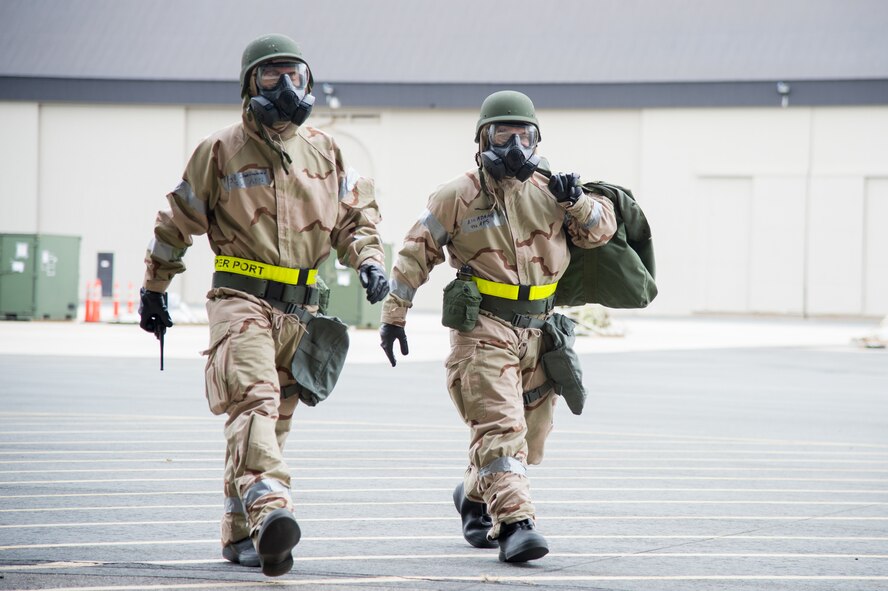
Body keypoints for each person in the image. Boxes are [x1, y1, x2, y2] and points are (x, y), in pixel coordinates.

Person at [138, 33, 389, 577]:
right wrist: (154, 288)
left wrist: (368, 260)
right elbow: (176, 222)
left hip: (300, 314)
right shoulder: (219, 150)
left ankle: (240, 532)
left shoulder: (326, 151)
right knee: (253, 404)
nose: (286, 86)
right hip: (240, 301)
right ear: (249, 83)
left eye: (295, 74)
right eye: (271, 75)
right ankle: (273, 513)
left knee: (271, 425)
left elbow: (354, 221)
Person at [378, 90, 616, 563]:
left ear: (537, 140)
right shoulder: (456, 196)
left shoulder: (555, 189)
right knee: (500, 427)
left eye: (524, 134)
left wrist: (578, 203)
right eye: (502, 134)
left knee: (530, 436)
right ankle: (515, 524)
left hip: (539, 330)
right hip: (483, 330)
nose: (514, 144)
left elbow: (601, 232)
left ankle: (471, 493)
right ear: (482, 140)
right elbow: (413, 254)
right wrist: (393, 315)